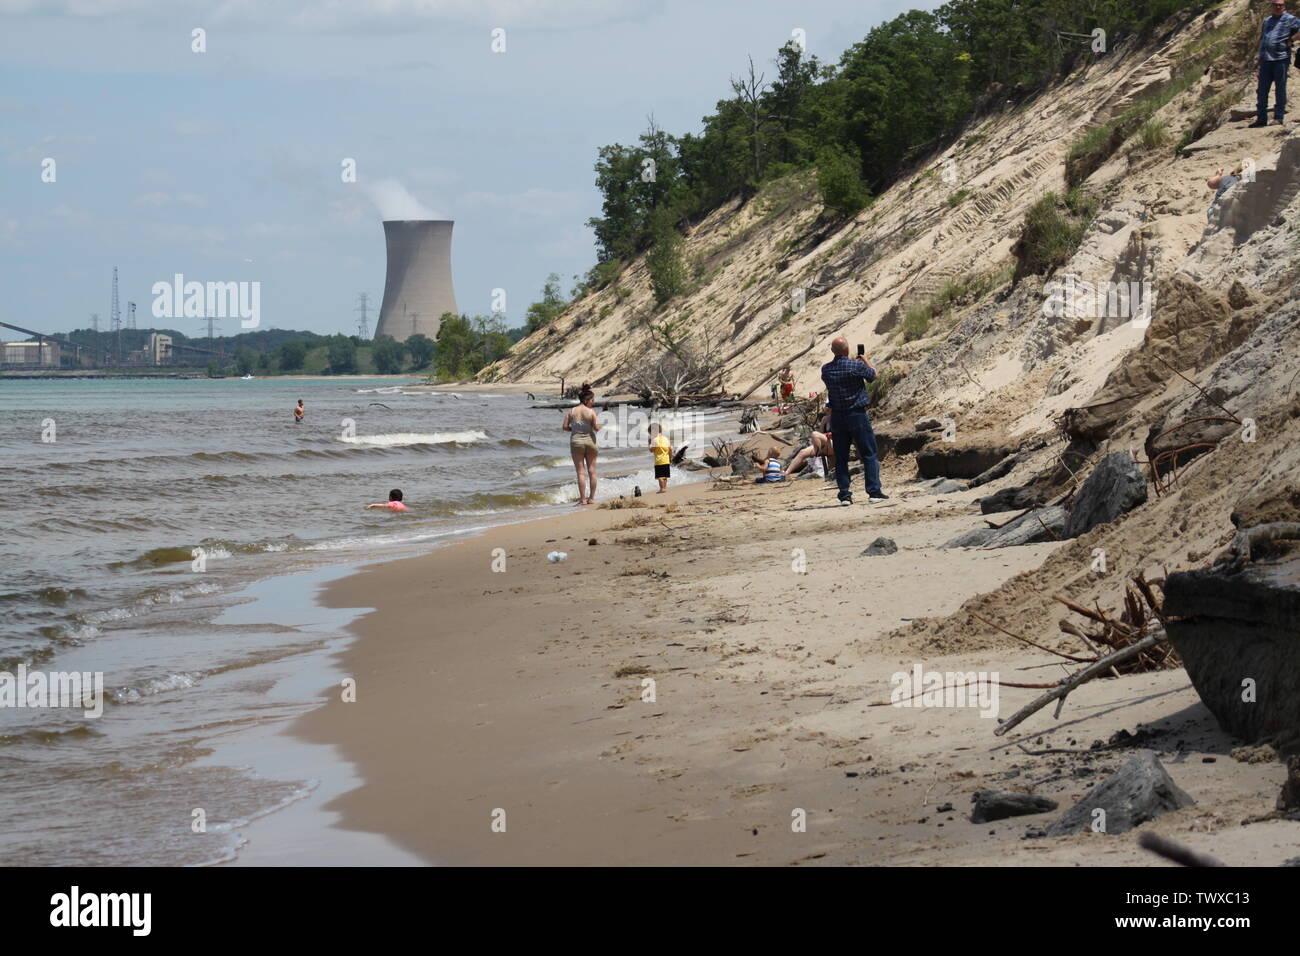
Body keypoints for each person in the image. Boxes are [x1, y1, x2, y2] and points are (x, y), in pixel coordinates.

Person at [820, 337, 887, 505]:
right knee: (868, 453)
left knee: (841, 457)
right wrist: (865, 359)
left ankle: (844, 494)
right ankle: (873, 491)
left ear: (833, 351)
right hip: (856, 414)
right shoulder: (855, 365)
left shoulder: (826, 369)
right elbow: (874, 375)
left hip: (838, 417)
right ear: (846, 349)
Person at [1251, 0, 1300, 128]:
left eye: (1280, 5)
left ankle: (1278, 117)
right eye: (1275, 5)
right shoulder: (1267, 20)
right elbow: (1263, 39)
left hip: (1281, 59)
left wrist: (1291, 40)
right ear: (1271, 6)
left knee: (1280, 89)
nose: (1278, 7)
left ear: (1284, 6)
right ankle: (1261, 119)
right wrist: (1258, 59)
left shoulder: (1290, 19)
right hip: (1266, 60)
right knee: (1261, 90)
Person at [563, 388, 601, 505]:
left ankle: (582, 499)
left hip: (576, 442)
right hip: (590, 441)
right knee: (592, 471)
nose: (593, 402)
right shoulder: (591, 412)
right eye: (592, 400)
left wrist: (574, 429)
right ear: (586, 400)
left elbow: (564, 427)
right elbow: (596, 428)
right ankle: (591, 498)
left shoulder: (571, 412)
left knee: (580, 472)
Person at [783, 406, 833, 479]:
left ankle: (817, 454)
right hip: (824, 443)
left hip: (834, 442)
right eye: (827, 409)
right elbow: (821, 433)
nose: (827, 411)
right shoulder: (825, 419)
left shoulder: (838, 418)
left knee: (814, 434)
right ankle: (786, 473)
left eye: (829, 409)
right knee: (802, 452)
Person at [649, 422, 672, 493]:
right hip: (666, 460)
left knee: (660, 476)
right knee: (665, 476)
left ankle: (662, 488)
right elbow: (670, 449)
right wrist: (670, 458)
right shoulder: (666, 439)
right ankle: (664, 487)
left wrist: (649, 444)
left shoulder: (654, 440)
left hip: (659, 461)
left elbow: (651, 450)